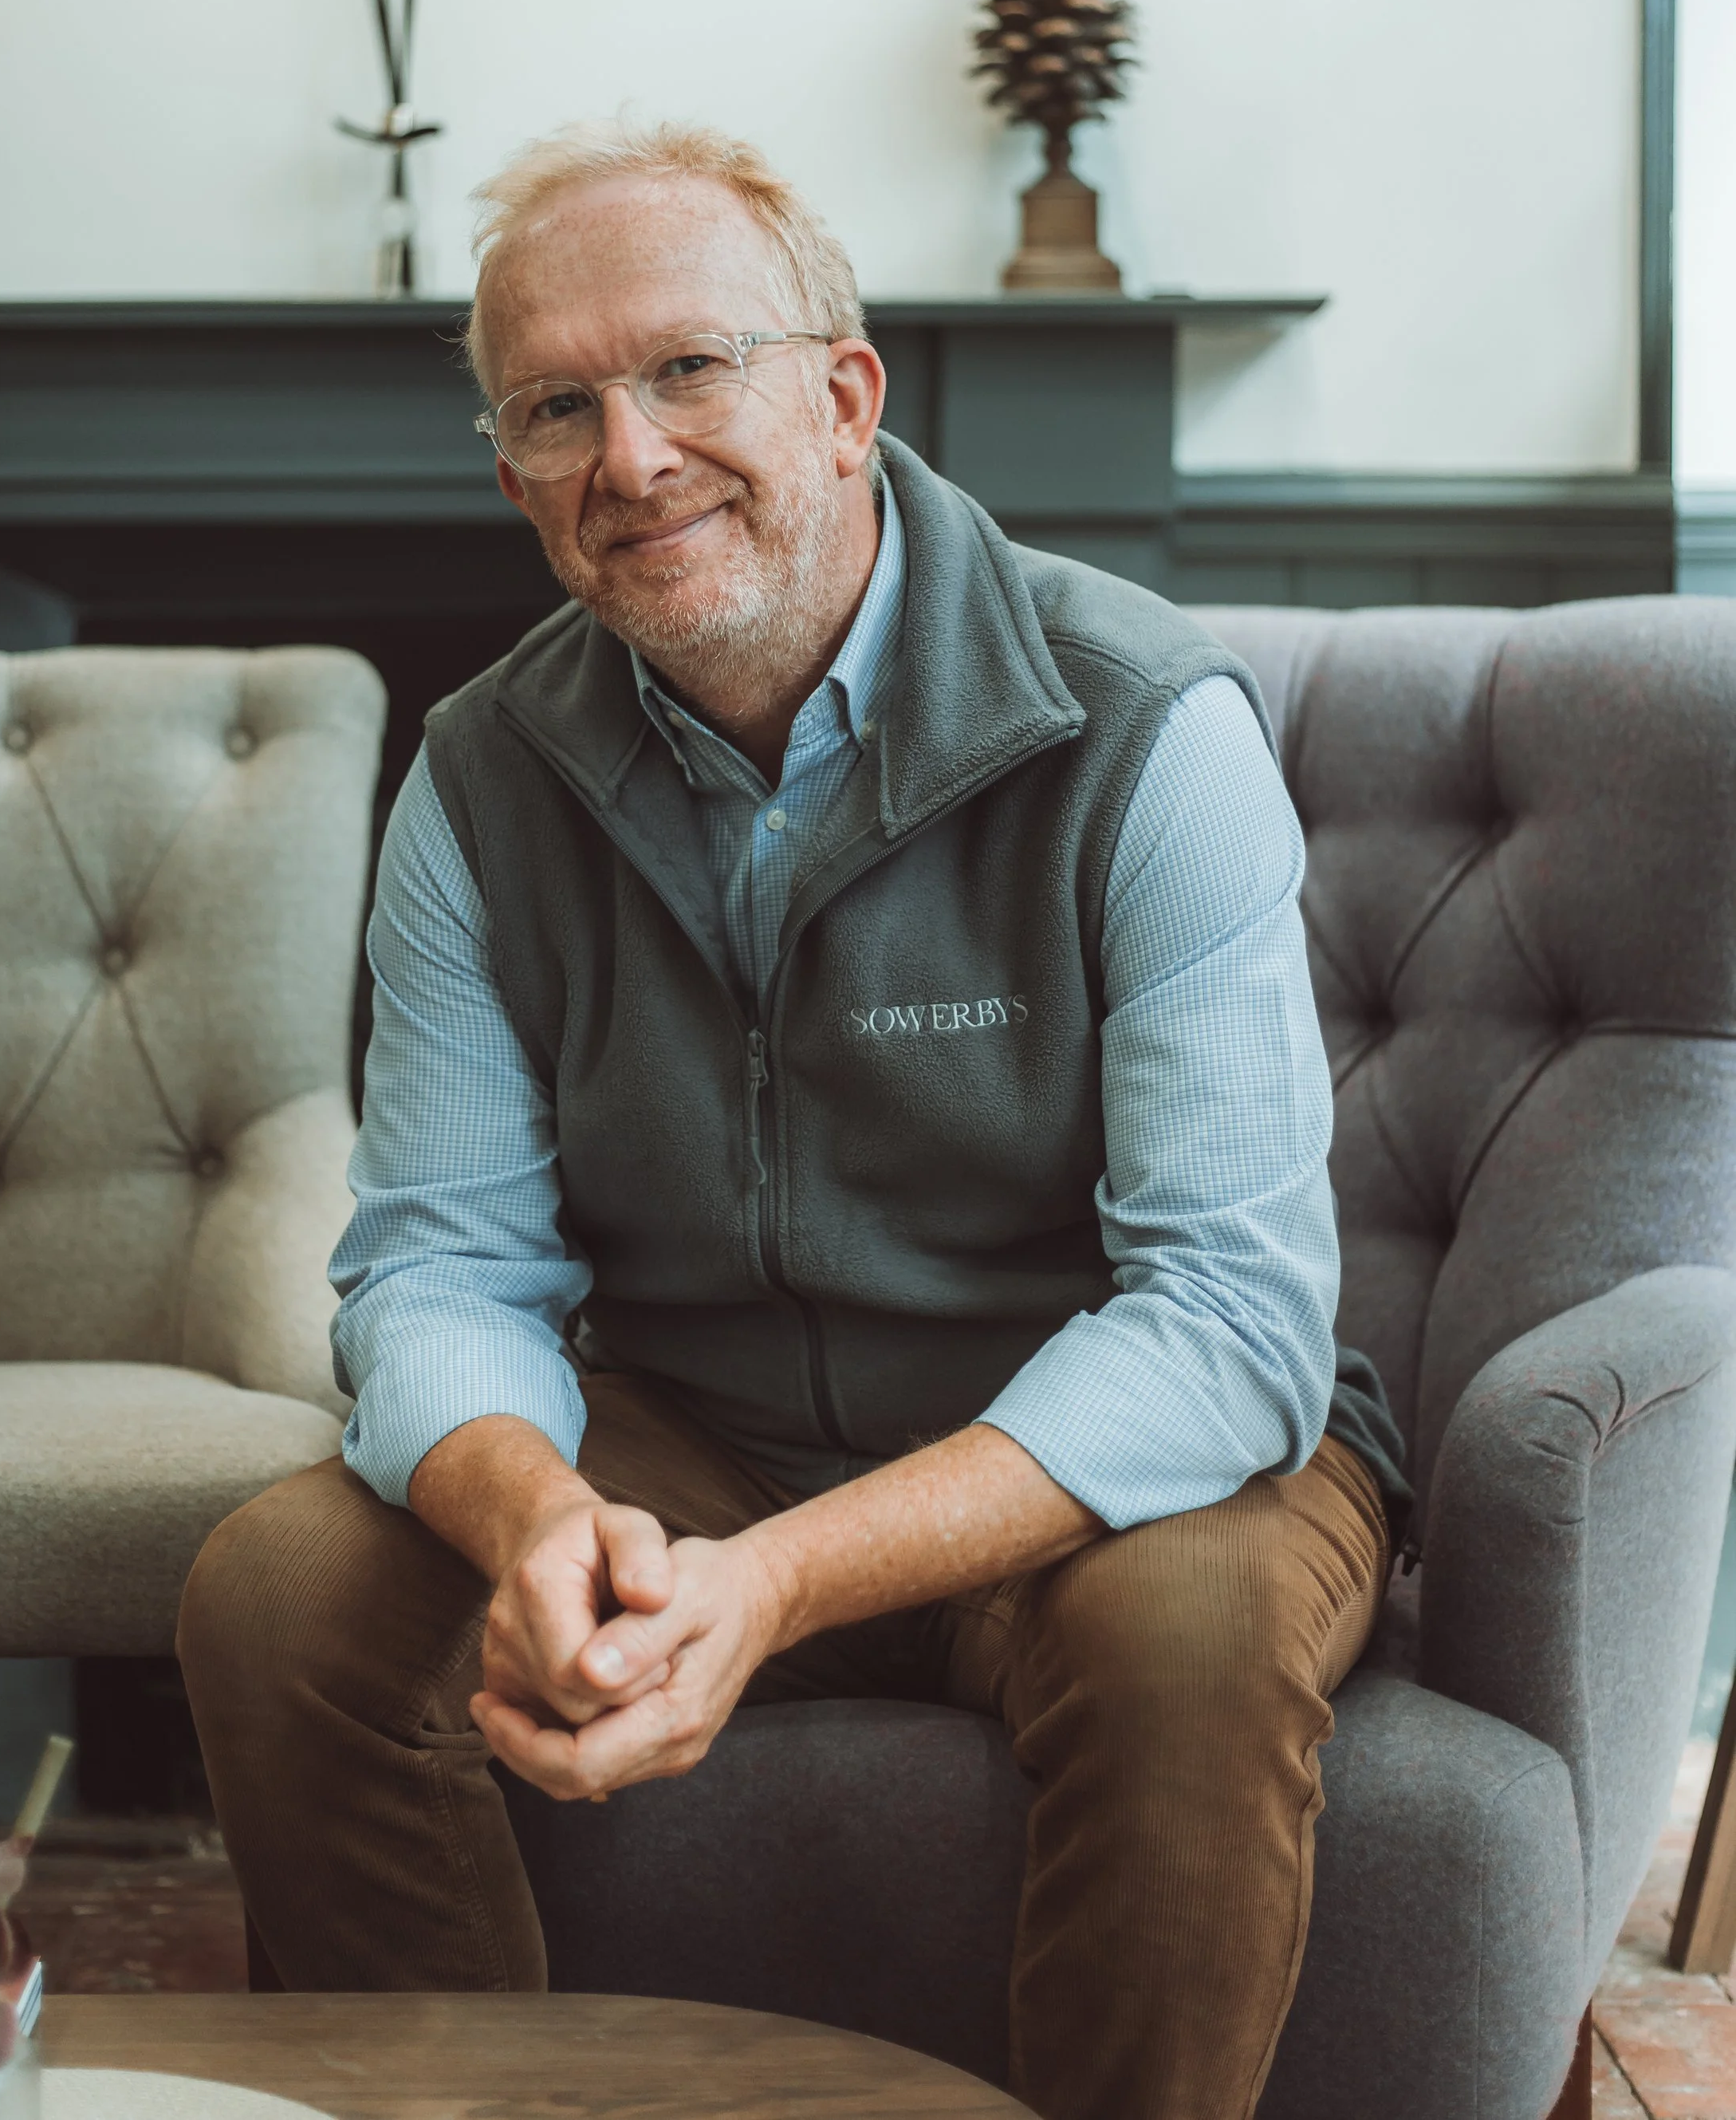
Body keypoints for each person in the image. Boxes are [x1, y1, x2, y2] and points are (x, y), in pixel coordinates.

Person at [177, 121, 1408, 2120]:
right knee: (281, 1588)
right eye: (557, 408)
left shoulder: (1141, 727)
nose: (630, 457)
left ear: (841, 398)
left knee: (1186, 1636)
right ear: (512, 482)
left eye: (686, 370)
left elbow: (1229, 1324)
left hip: (1114, 1449)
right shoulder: (476, 782)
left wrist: (775, 1586)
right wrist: (545, 1519)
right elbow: (438, 1266)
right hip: (696, 1436)